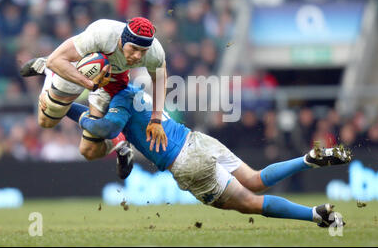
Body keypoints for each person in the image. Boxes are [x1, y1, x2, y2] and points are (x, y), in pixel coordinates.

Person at [61, 84, 351, 228]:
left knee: (250, 203)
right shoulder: (133, 88)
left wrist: (70, 110)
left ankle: (315, 216)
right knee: (255, 179)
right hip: (197, 140)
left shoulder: (116, 107)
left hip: (185, 163)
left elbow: (102, 123)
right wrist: (66, 105)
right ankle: (307, 160)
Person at [20, 17, 168, 174]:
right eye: (133, 49)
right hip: (78, 68)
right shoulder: (101, 34)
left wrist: (156, 119)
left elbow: (159, 78)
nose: (138, 56)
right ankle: (48, 72)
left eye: (142, 51)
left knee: (89, 151)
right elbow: (55, 60)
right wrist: (89, 84)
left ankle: (120, 142)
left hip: (114, 79)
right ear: (123, 40)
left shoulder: (154, 52)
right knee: (46, 122)